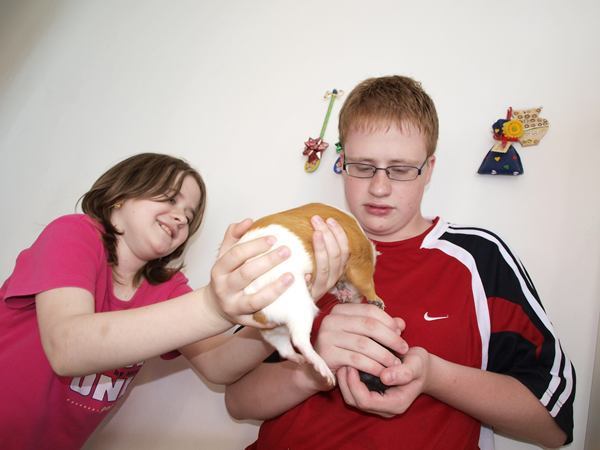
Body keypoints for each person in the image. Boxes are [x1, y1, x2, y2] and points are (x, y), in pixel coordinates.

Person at [224, 76, 576, 449]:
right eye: (363, 166)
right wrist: (311, 373)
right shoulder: (304, 246)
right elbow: (238, 401)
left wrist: (433, 376)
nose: (379, 187)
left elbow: (553, 423)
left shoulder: (480, 258)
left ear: (429, 169)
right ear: (342, 163)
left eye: (401, 169)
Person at [0, 152, 344, 450]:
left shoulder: (167, 287)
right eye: (169, 198)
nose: (181, 217)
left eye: (189, 216)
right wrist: (213, 306)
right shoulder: (75, 232)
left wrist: (281, 314)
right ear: (120, 196)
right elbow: (68, 348)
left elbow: (219, 365)